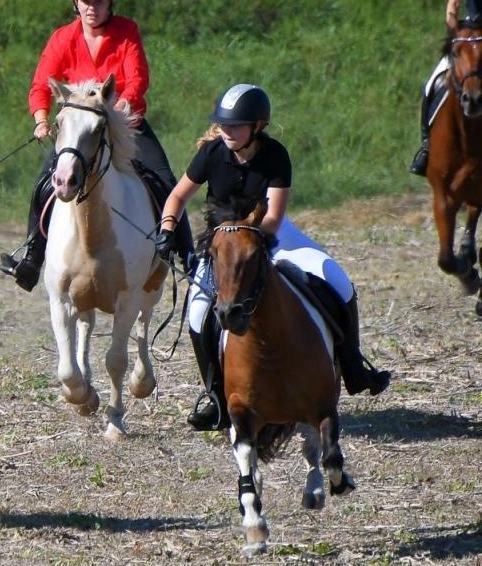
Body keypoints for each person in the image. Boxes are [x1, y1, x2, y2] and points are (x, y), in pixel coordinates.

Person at [156, 83, 390, 431]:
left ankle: (353, 365)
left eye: (235, 126)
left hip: (270, 234)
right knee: (199, 309)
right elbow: (177, 197)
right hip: (223, 245)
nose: (226, 131)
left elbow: (274, 218)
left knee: (335, 278)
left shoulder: (275, 155)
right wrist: (167, 230)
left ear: (257, 127)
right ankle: (215, 394)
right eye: (223, 124)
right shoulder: (211, 154)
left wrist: (249, 241)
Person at [1, 0, 188, 290]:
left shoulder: (127, 31)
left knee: (165, 181)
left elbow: (137, 81)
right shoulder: (62, 37)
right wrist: (41, 119)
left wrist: (111, 114)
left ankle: (188, 256)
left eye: (99, 0)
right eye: (85, 1)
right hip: (77, 130)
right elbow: (40, 85)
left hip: (126, 123)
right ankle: (32, 256)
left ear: (109, 2)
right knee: (45, 183)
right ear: (75, 3)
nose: (92, 7)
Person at [410, 0, 482, 175]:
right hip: (469, 35)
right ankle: (426, 147)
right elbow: (453, 4)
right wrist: (455, 34)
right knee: (431, 84)